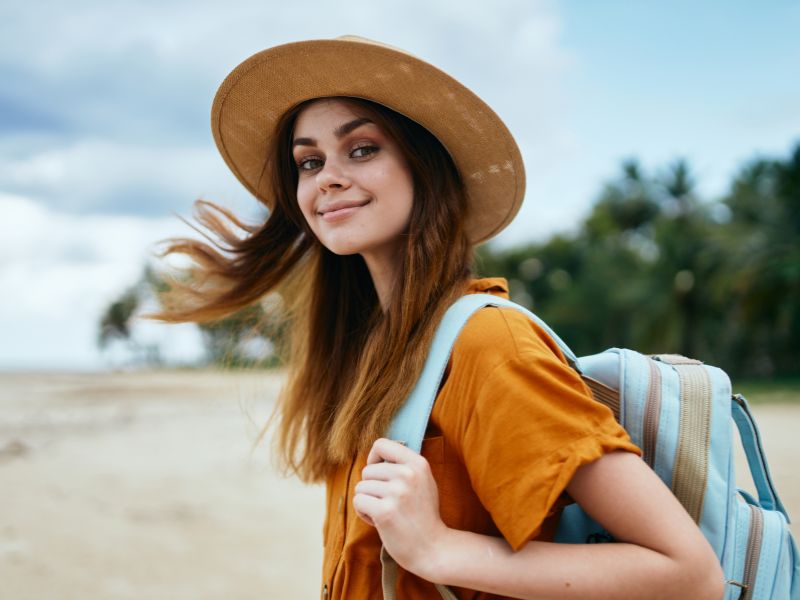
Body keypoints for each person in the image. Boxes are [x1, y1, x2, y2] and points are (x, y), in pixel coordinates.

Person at [155, 36, 724, 599]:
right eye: (309, 161)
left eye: (362, 149)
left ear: (424, 169)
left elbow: (689, 573)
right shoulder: (364, 348)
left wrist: (438, 549)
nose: (326, 176)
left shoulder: (488, 343)